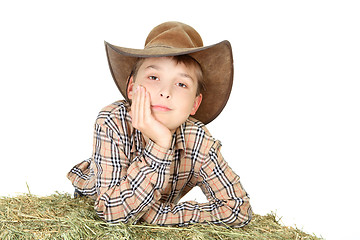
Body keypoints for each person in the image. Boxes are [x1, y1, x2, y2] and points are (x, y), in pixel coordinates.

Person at [67, 21, 252, 227]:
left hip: (154, 209)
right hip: (95, 204)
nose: (166, 92)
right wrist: (162, 143)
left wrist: (159, 216)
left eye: (181, 84)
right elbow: (111, 213)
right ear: (131, 88)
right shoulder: (112, 121)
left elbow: (238, 209)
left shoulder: (198, 139)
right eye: (154, 77)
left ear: (195, 104)